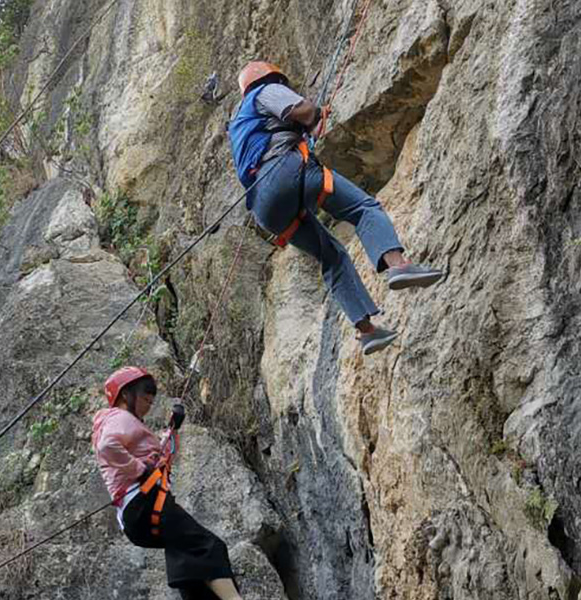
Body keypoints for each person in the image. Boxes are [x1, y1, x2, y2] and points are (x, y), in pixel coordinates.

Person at [228, 60, 444, 355]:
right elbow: (300, 110)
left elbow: (280, 133)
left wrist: (310, 127)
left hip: (265, 209)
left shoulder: (240, 123)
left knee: (331, 256)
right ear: (271, 78)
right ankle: (398, 267)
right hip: (284, 172)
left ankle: (368, 331)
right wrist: (314, 113)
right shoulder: (266, 91)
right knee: (363, 208)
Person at [91, 366, 242, 600]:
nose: (148, 405)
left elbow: (157, 456)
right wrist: (140, 470)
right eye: (144, 398)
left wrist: (173, 427)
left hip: (137, 516)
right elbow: (107, 447)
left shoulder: (124, 423)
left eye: (151, 401)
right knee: (209, 546)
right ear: (125, 396)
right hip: (145, 503)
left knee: (186, 558)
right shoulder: (119, 417)